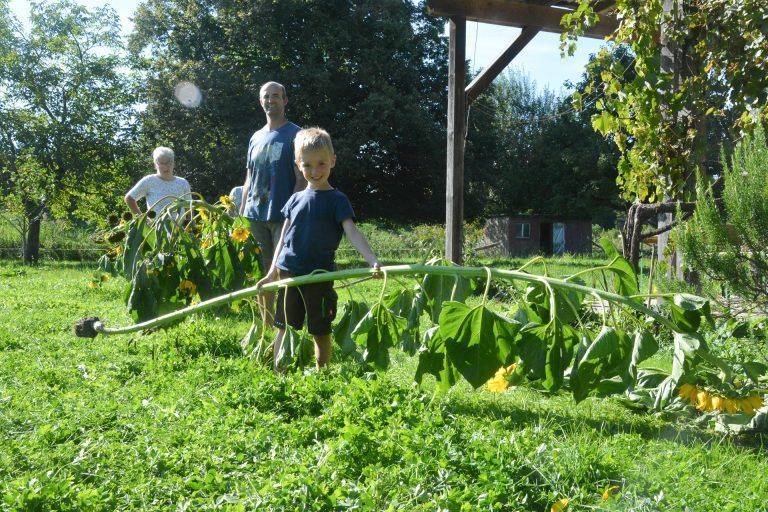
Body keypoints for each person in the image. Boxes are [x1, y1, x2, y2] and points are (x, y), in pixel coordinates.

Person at [257, 127, 380, 371]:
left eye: (321, 164)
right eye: (308, 165)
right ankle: (279, 371)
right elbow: (283, 238)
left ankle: (321, 372)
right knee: (284, 326)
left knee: (320, 328)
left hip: (320, 275)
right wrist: (272, 272)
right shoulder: (293, 200)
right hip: (289, 274)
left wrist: (372, 260)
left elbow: (352, 231)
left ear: (333, 161)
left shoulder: (337, 200)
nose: (314, 171)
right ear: (297, 165)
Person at [240, 81, 306, 324]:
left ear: (285, 100)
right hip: (254, 215)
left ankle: (283, 324)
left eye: (276, 96)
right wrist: (241, 212)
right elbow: (249, 178)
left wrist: (293, 211)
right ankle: (266, 324)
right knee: (262, 269)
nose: (271, 101)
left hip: (282, 214)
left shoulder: (296, 134)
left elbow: (301, 178)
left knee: (281, 269)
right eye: (266, 97)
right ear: (260, 101)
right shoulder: (255, 137)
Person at [124, 147, 191, 217]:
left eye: (168, 162)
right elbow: (129, 198)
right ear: (155, 165)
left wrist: (190, 225)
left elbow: (188, 207)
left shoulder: (183, 183)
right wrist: (142, 220)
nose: (166, 166)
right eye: (161, 163)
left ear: (174, 163)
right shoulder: (149, 181)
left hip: (180, 227)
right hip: (156, 227)